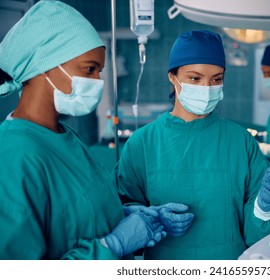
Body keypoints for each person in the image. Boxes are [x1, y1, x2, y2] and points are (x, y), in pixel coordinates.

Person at [0, 0, 167, 260]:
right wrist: (113, 245)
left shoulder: (64, 135)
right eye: (89, 69)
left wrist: (125, 216)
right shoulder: (12, 155)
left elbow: (77, 214)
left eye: (99, 71)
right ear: (45, 66)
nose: (97, 82)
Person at [114, 30, 270, 260]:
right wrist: (153, 219)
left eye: (216, 79)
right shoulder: (142, 143)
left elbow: (257, 236)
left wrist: (264, 207)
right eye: (195, 78)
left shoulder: (240, 141)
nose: (207, 87)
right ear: (172, 77)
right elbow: (123, 220)